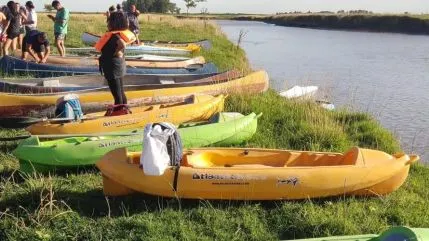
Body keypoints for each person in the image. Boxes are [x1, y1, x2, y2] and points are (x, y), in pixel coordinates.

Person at [95, 11, 135, 106]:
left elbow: (122, 44)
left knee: (117, 94)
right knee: (120, 91)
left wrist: (116, 53)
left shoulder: (115, 35)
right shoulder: (116, 34)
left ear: (114, 23)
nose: (107, 23)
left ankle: (119, 114)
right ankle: (124, 109)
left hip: (113, 66)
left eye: (109, 21)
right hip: (117, 65)